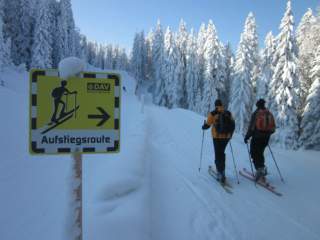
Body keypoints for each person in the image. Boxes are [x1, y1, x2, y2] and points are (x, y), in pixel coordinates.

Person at [202, 99, 235, 183]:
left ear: (215, 105)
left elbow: (207, 125)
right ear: (222, 105)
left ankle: (220, 173)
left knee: (218, 154)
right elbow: (233, 124)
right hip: (226, 138)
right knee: (222, 153)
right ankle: (222, 171)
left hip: (217, 137)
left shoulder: (213, 113)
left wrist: (204, 126)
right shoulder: (228, 113)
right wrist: (230, 135)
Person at [244, 99, 276, 182]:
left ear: (257, 105)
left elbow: (252, 127)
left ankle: (260, 170)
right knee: (260, 153)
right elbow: (273, 129)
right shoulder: (268, 113)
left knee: (254, 153)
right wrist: (266, 133)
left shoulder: (256, 114)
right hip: (266, 138)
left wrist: (247, 137)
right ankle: (262, 168)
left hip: (257, 137)